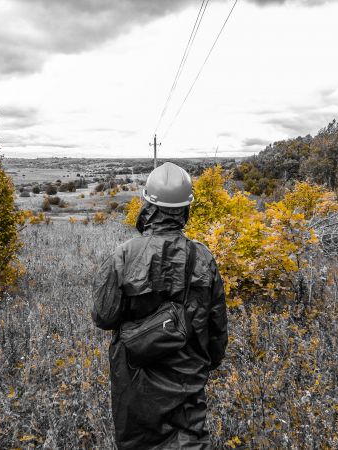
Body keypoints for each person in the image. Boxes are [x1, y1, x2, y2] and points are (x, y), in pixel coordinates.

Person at [92, 162, 228, 449]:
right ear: (185, 209)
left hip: (136, 381)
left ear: (148, 206)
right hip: (188, 378)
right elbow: (217, 325)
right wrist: (208, 363)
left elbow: (104, 316)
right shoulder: (203, 257)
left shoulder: (125, 255)